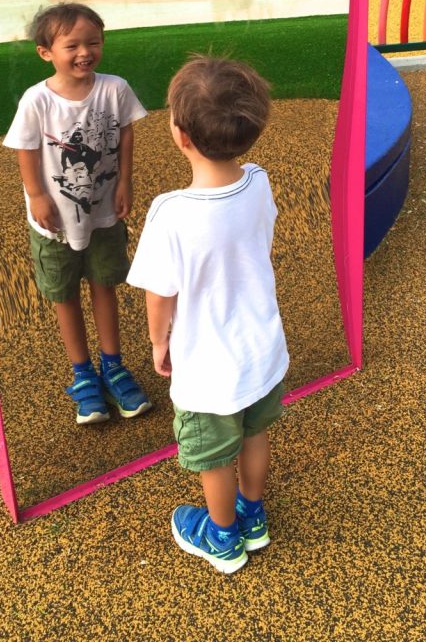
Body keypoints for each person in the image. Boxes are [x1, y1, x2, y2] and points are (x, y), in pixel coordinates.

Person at [127, 55, 289, 574]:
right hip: (262, 349)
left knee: (215, 453)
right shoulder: (259, 179)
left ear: (179, 135)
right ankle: (253, 516)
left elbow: (160, 294)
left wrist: (158, 342)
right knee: (255, 433)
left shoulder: (171, 213)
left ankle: (222, 537)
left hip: (210, 366)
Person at [3, 2, 152, 426]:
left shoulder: (115, 88)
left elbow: (125, 135)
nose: (85, 52)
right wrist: (36, 194)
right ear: (46, 52)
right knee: (65, 294)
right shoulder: (37, 100)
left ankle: (114, 365)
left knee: (105, 285)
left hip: (104, 213)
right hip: (55, 223)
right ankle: (83, 374)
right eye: (73, 45)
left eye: (94, 42)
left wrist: (124, 181)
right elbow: (26, 149)